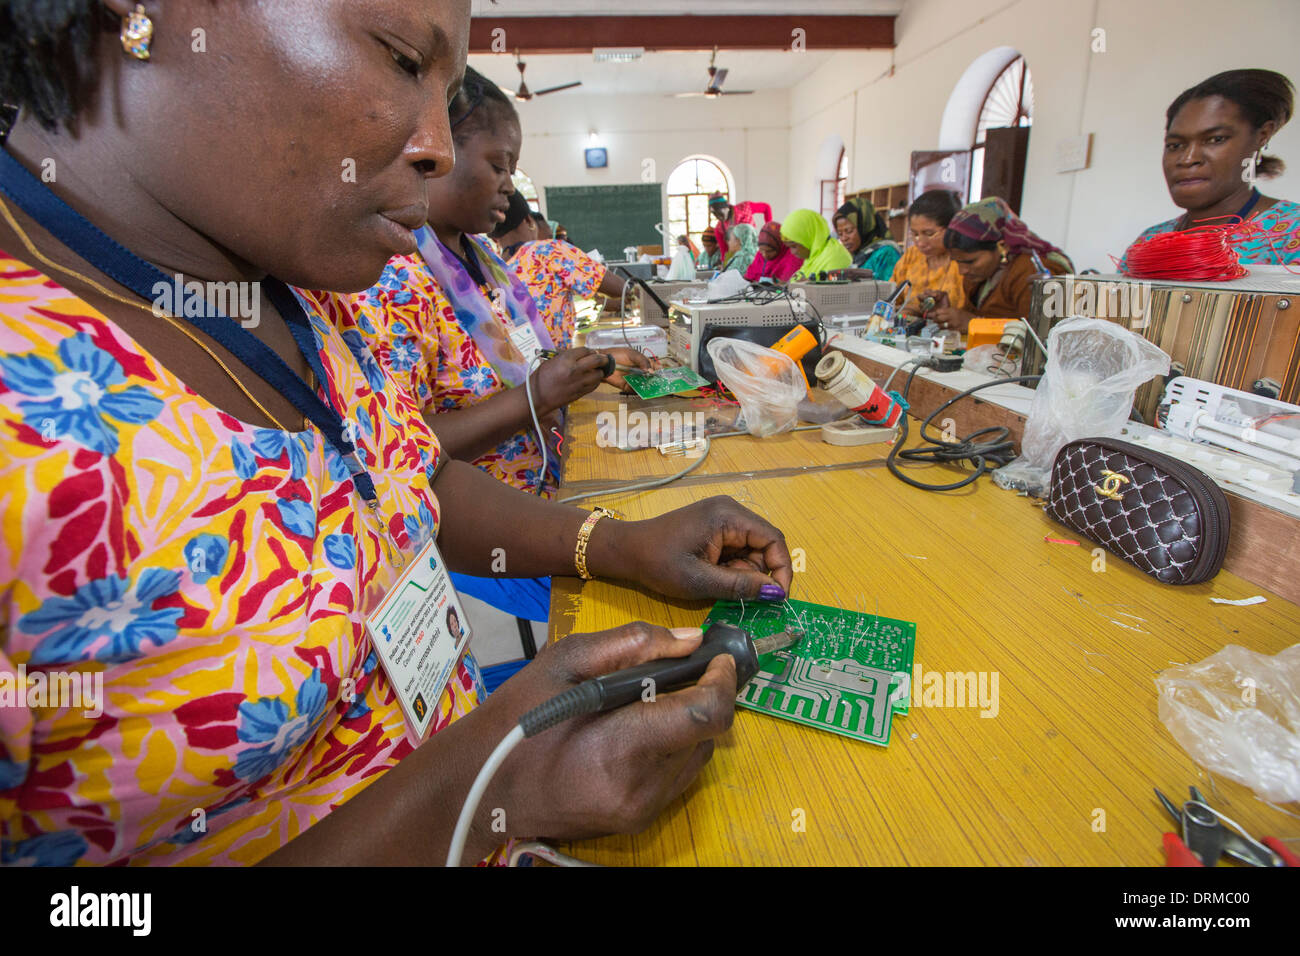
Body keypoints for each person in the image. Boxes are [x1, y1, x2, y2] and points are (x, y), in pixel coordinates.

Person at [0, 0, 791, 867]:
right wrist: (481, 792)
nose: (438, 149)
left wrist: (621, 545)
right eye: (403, 59)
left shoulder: (292, 294)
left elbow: (406, 476)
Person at [356, 68, 647, 500]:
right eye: (498, 166)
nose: (510, 186)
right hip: (489, 533)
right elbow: (399, 450)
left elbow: (517, 358)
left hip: (549, 485)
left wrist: (592, 364)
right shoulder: (395, 279)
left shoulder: (484, 256)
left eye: (511, 169)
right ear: (435, 153)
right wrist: (537, 396)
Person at [1120, 69, 1297, 268]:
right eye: (1175, 145)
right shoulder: (1148, 242)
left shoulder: (1290, 233)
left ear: (1262, 135)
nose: (1187, 159)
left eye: (1215, 139)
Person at [494, 190, 632, 350]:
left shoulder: (490, 267)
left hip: (514, 370)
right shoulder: (550, 250)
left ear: (494, 236)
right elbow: (621, 289)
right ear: (529, 220)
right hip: (555, 366)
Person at [937, 197, 1074, 329]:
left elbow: (1040, 333)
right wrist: (946, 313)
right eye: (958, 262)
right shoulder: (980, 273)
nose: (962, 271)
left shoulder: (1029, 270)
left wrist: (975, 323)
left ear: (1002, 246)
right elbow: (977, 314)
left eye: (970, 262)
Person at [891, 190, 968, 321]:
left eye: (929, 233)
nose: (920, 243)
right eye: (914, 234)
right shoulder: (911, 256)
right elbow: (892, 298)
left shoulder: (964, 261)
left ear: (952, 228)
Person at [833, 196, 902, 280]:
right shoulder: (857, 255)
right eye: (840, 234)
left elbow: (891, 289)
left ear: (865, 226)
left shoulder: (887, 254)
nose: (844, 238)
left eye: (849, 231)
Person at [782, 209, 853, 280]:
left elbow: (829, 288)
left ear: (809, 238)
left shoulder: (836, 258)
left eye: (794, 246)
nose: (792, 252)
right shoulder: (814, 257)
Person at [708, 192, 773, 253]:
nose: (718, 216)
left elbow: (766, 207)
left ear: (726, 207)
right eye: (714, 214)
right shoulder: (719, 229)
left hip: (755, 251)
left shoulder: (745, 208)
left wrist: (768, 230)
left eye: (719, 212)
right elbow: (724, 252)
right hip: (738, 257)